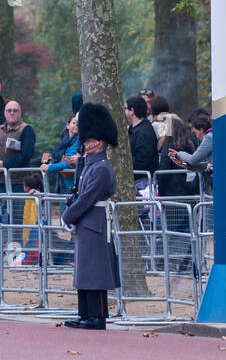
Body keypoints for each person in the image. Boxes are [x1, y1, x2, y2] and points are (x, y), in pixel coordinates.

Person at [62, 102, 120, 330]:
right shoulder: (91, 165)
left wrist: (68, 216)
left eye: (88, 140)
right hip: (87, 222)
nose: (85, 143)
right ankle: (85, 312)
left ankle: (97, 316)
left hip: (94, 222)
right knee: (85, 270)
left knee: (95, 272)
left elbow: (86, 198)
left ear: (100, 141)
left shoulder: (101, 168)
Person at [41, 114, 80, 194]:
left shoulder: (79, 141)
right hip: (61, 181)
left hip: (72, 182)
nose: (76, 126)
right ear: (68, 125)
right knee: (63, 205)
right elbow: (59, 157)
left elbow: (69, 163)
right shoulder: (64, 141)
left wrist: (50, 167)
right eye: (74, 123)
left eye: (78, 124)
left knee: (71, 204)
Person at [125, 95, 158, 177]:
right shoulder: (133, 129)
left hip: (142, 182)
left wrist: (122, 162)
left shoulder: (145, 132)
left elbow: (142, 160)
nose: (123, 111)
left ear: (132, 111)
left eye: (125, 108)